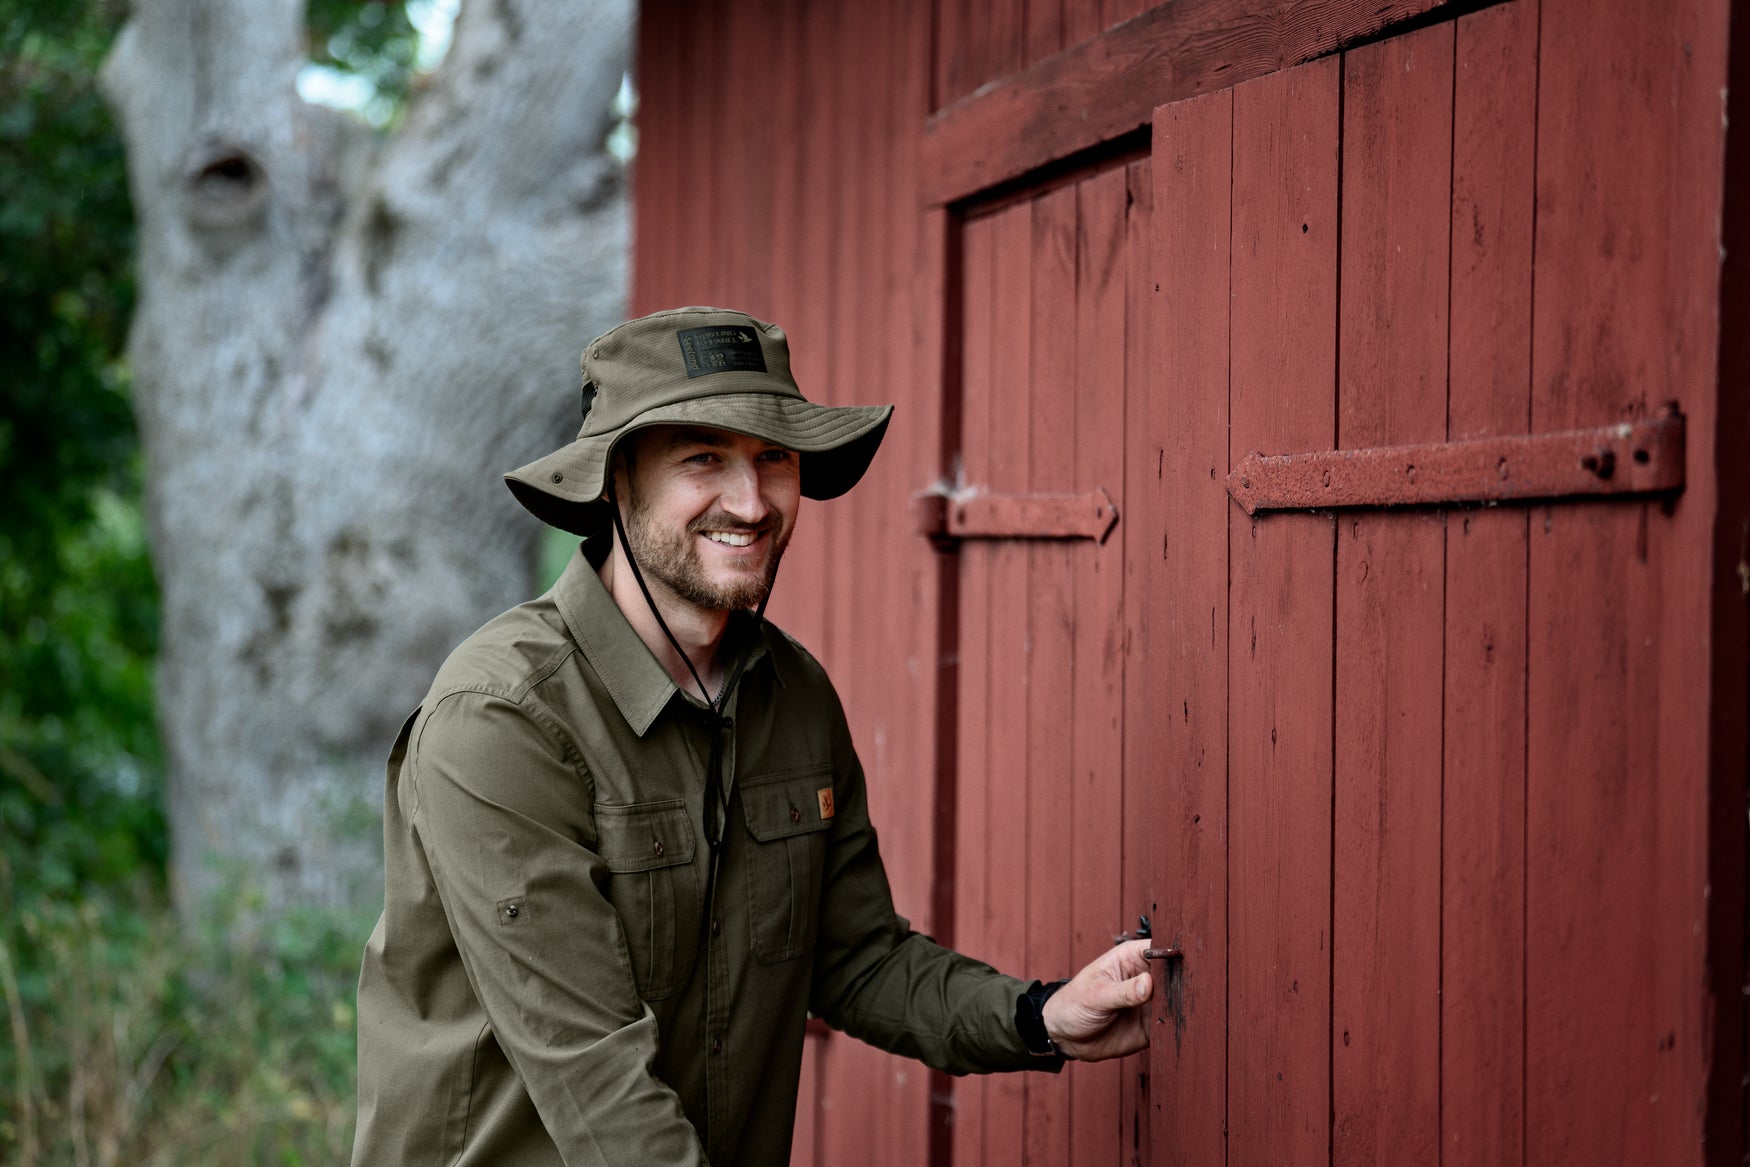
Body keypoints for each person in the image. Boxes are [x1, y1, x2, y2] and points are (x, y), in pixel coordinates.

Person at [350, 306, 1156, 1166]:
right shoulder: (503, 719)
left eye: (774, 456)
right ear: (617, 481)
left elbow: (858, 959)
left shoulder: (792, 696)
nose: (751, 501)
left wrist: (1041, 1016)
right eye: (703, 458)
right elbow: (595, 1079)